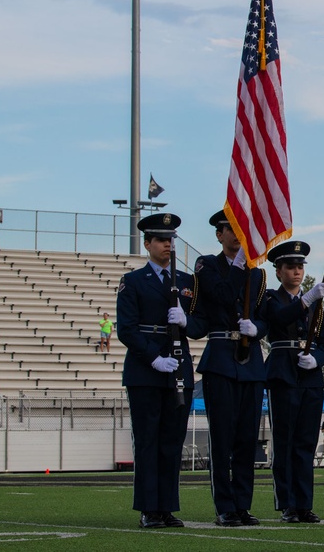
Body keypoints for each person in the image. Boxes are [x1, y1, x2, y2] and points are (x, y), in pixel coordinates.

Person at [187, 210, 268, 527]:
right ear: (219, 235)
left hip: (250, 363)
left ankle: (242, 505)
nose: (236, 234)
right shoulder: (206, 265)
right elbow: (221, 295)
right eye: (229, 229)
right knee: (222, 439)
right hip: (220, 358)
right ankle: (224, 506)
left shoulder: (258, 274)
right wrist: (240, 265)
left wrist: (257, 330)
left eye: (240, 229)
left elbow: (262, 317)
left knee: (247, 439)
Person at [115, 213, 194, 529]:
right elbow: (127, 329)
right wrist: (153, 358)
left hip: (178, 368)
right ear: (147, 244)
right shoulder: (133, 281)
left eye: (171, 239)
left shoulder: (187, 283)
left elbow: (200, 324)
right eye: (161, 240)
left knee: (172, 442)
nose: (167, 245)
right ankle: (149, 508)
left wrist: (187, 320)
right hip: (146, 371)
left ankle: (167, 507)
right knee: (148, 441)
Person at [261, 240, 324, 524]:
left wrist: (318, 358)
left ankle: (304, 503)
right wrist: (306, 300)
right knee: (286, 440)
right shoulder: (270, 298)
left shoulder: (315, 303)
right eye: (290, 267)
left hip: (309, 375)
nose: (297, 271)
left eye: (300, 266)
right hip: (283, 372)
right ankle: (287, 502)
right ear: (278, 271)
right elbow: (277, 319)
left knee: (306, 442)